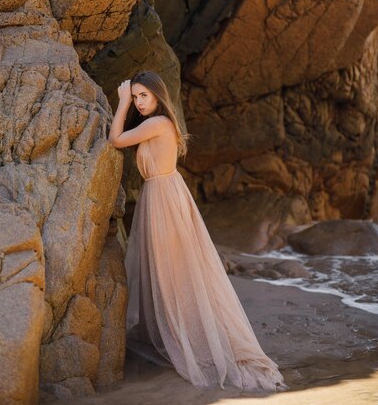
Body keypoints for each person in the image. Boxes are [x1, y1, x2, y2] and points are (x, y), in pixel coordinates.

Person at [108, 71, 286, 392]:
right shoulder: (152, 125)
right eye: (134, 97)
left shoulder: (159, 123)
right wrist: (128, 103)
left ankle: (187, 336)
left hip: (164, 199)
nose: (138, 102)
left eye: (143, 96)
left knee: (173, 270)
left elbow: (116, 140)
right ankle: (170, 331)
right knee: (163, 271)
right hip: (160, 196)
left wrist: (120, 102)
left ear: (158, 96)